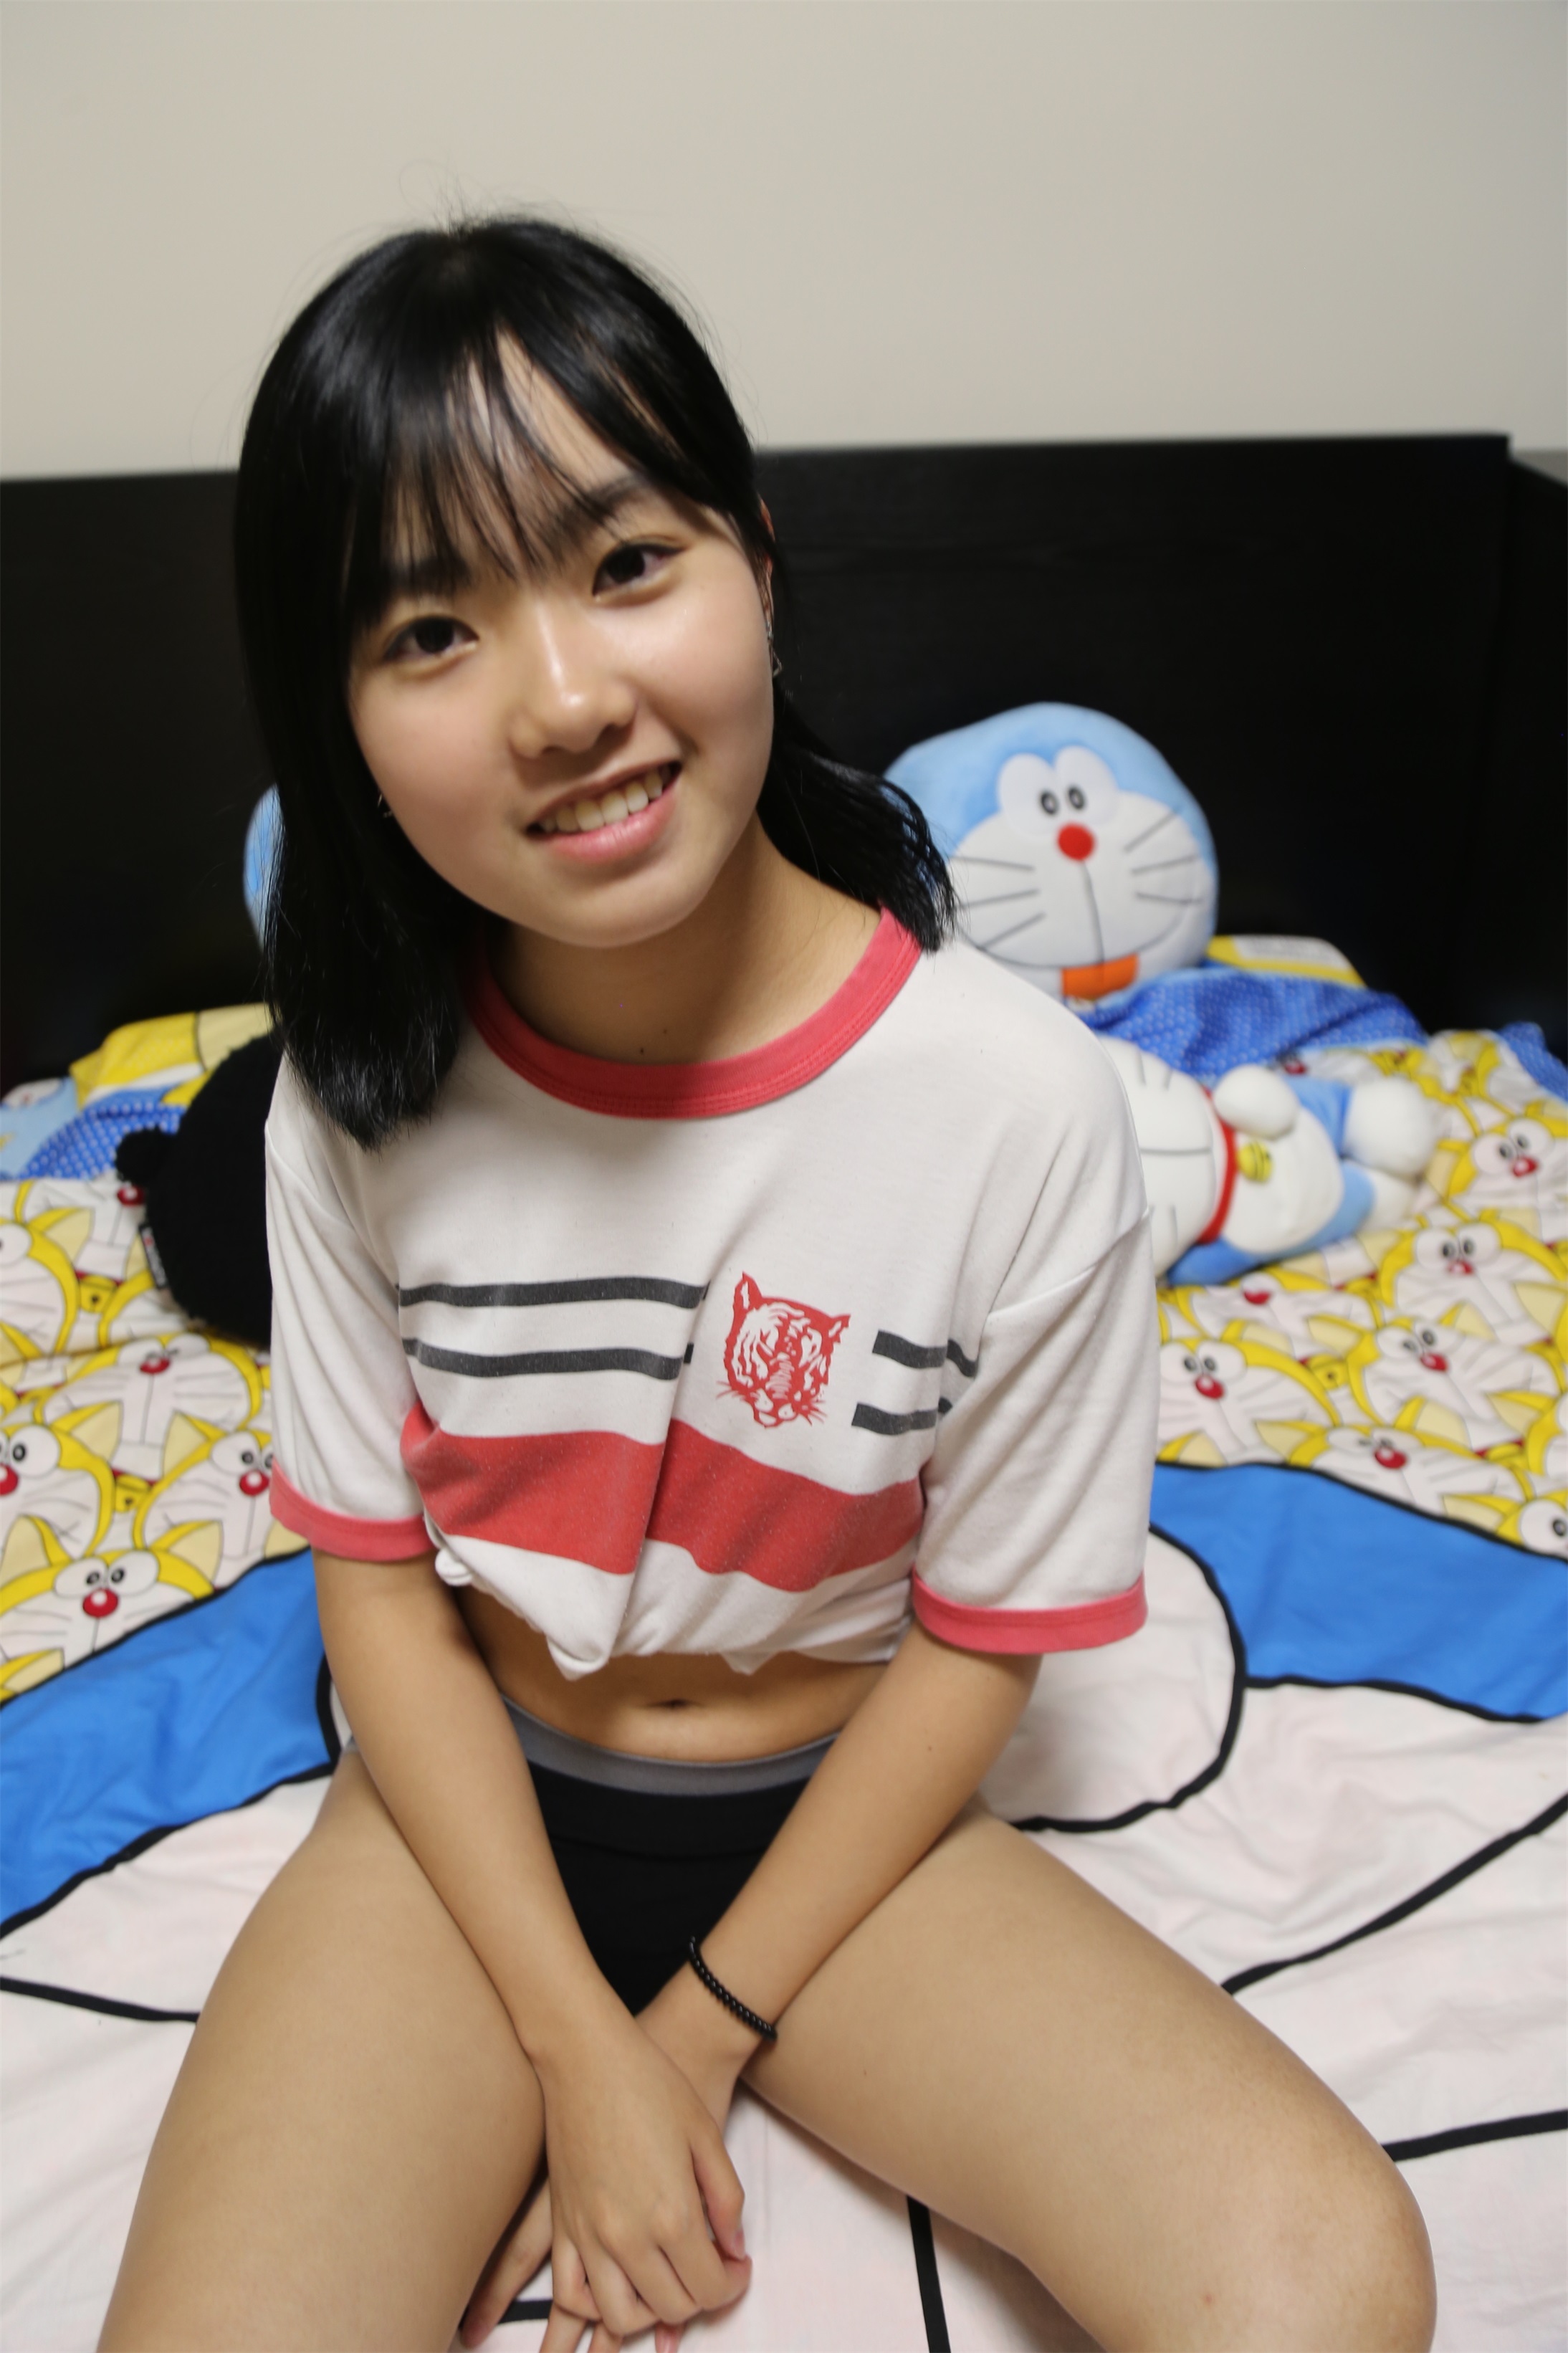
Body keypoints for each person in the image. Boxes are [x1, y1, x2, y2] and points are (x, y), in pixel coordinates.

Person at [100, 217, 1435, 2353]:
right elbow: (379, 1598)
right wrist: (573, 2048)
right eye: (432, 629)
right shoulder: (350, 1102)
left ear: (760, 567)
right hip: (463, 1821)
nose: (565, 702)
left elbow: (982, 1639)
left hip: (837, 1822)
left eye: (628, 563)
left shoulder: (1013, 1105)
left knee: (1325, 2285)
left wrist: (691, 2041)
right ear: (334, 720)